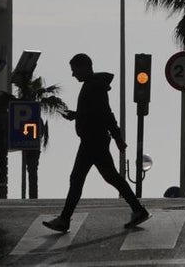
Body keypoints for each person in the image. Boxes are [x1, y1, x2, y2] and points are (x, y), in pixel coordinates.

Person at [43, 53, 150, 232]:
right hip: (94, 140)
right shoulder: (92, 86)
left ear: (85, 67)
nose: (73, 74)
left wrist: (118, 138)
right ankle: (138, 210)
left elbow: (106, 114)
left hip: (93, 141)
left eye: (74, 70)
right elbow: (95, 113)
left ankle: (64, 219)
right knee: (111, 177)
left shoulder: (94, 87)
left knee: (78, 178)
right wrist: (76, 115)